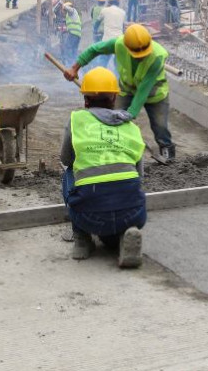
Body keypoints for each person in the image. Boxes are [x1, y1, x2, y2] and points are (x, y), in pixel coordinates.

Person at [60, 67, 146, 268]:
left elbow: (65, 158)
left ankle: (82, 239)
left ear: (86, 100)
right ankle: (122, 236)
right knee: (126, 184)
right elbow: (140, 177)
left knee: (69, 172)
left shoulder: (77, 120)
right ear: (114, 99)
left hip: (88, 217)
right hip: (134, 213)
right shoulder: (132, 127)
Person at [64, 23, 175, 160]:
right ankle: (112, 148)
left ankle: (167, 152)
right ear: (127, 47)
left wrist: (131, 113)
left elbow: (144, 89)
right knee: (111, 117)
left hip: (155, 93)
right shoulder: (118, 44)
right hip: (127, 89)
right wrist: (75, 68)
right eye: (137, 54)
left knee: (160, 126)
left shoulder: (157, 56)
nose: (141, 57)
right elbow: (94, 49)